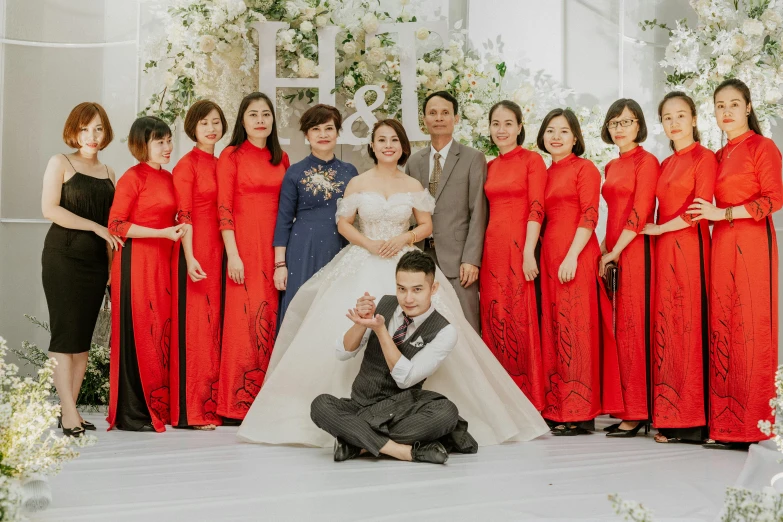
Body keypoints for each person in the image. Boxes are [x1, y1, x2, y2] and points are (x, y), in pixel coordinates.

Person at [236, 119, 549, 447]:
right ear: (372, 145)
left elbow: (426, 225)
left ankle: (407, 411)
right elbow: (343, 224)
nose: (388, 145)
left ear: (402, 147)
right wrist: (369, 244)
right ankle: (352, 409)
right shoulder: (357, 182)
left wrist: (404, 238)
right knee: (344, 328)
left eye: (394, 140)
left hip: (405, 262)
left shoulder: (413, 185)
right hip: (362, 258)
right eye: (381, 140)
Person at [310, 251, 476, 464]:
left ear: (433, 289)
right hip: (361, 404)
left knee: (447, 413)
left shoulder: (445, 331)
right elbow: (343, 353)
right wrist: (360, 323)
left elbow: (405, 379)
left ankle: (356, 441)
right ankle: (403, 452)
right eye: (401, 289)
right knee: (320, 405)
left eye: (417, 290)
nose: (408, 298)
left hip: (402, 411)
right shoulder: (383, 305)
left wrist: (381, 332)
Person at [688, 78, 782, 450]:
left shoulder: (763, 146)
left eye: (733, 104)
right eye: (720, 105)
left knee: (750, 326)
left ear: (748, 107)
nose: (726, 112)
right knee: (723, 326)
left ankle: (754, 427)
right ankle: (726, 426)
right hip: (722, 244)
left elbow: (774, 198)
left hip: (753, 243)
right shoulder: (718, 153)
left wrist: (722, 212)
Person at [537, 108, 620, 436]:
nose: (555, 136)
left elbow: (589, 215)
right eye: (550, 130)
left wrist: (571, 256)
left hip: (575, 254)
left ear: (575, 138)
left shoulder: (584, 168)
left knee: (577, 329)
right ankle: (559, 407)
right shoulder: (544, 172)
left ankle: (581, 412)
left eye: (563, 131)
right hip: (549, 256)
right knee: (556, 329)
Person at [641, 91, 716, 444]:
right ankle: (669, 416)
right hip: (664, 251)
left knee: (689, 325)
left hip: (690, 246)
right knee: (667, 328)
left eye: (681, 115)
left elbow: (699, 208)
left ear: (695, 118)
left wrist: (660, 227)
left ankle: (693, 422)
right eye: (667, 117)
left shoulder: (705, 158)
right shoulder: (666, 163)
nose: (674, 122)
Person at [41, 102, 119, 437]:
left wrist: (112, 271)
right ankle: (70, 412)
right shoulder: (61, 162)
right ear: (74, 131)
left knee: (83, 340)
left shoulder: (109, 172)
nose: (92, 135)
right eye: (85, 128)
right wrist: (96, 227)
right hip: (63, 257)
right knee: (65, 335)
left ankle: (68, 411)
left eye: (98, 128)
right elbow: (50, 210)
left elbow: (113, 228)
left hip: (96, 264)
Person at [107, 116, 185, 432]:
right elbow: (116, 226)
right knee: (140, 327)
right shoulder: (132, 178)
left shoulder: (168, 178)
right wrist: (163, 233)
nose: (167, 147)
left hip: (163, 264)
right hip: (136, 263)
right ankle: (133, 411)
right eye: (159, 142)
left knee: (159, 331)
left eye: (168, 141)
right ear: (142, 145)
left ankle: (158, 404)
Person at [217, 92, 290, 423]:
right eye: (253, 114)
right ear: (242, 121)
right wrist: (233, 255)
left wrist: (283, 258)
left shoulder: (282, 158)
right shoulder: (231, 155)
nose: (260, 119)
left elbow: (288, 210)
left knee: (270, 321)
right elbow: (224, 209)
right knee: (242, 321)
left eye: (266, 114)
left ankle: (267, 400)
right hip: (243, 248)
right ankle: (235, 404)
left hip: (274, 250)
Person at [598, 99, 659, 437]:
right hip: (616, 250)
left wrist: (616, 251)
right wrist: (606, 249)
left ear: (639, 125)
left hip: (636, 251)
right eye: (614, 123)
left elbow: (639, 212)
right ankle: (624, 405)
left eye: (626, 122)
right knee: (618, 329)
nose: (619, 128)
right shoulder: (610, 165)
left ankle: (637, 412)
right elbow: (612, 213)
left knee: (633, 328)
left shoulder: (646, 162)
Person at [479, 100, 546, 410]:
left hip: (520, 248)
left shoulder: (533, 161)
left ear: (520, 127)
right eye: (496, 123)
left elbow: (537, 207)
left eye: (508, 123)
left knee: (522, 317)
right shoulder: (489, 166)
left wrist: (529, 252)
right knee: (496, 318)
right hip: (492, 249)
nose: (501, 129)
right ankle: (500, 400)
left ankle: (529, 401)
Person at [405, 91, 488, 332]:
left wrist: (471, 259)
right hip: (421, 256)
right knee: (424, 327)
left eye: (445, 113)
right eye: (432, 113)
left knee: (466, 326)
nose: (439, 118)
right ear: (424, 120)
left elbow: (478, 212)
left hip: (459, 259)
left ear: (456, 118)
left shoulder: (474, 158)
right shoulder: (414, 161)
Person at [170, 100, 227, 430]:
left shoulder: (220, 163)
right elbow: (183, 215)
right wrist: (190, 257)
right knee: (197, 331)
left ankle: (214, 405)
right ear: (193, 127)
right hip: (197, 253)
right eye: (204, 122)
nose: (211, 128)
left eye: (216, 122)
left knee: (215, 329)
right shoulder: (187, 165)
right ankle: (192, 410)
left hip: (221, 252)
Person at [273, 104, 358, 326]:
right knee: (301, 310)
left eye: (329, 128)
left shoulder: (350, 172)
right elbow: (283, 221)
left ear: (337, 132)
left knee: (335, 312)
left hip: (339, 248)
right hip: (303, 249)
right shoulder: (295, 172)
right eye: (316, 129)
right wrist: (280, 265)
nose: (323, 134)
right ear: (306, 134)